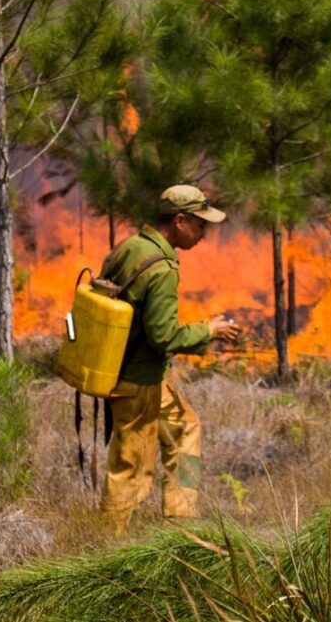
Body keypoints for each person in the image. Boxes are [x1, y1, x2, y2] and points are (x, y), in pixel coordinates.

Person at [99, 184, 241, 534]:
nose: (204, 234)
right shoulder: (162, 268)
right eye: (200, 225)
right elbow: (162, 335)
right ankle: (105, 550)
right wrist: (208, 331)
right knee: (131, 470)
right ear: (179, 221)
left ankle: (182, 523)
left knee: (186, 429)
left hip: (134, 373)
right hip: (136, 382)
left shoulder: (131, 247)